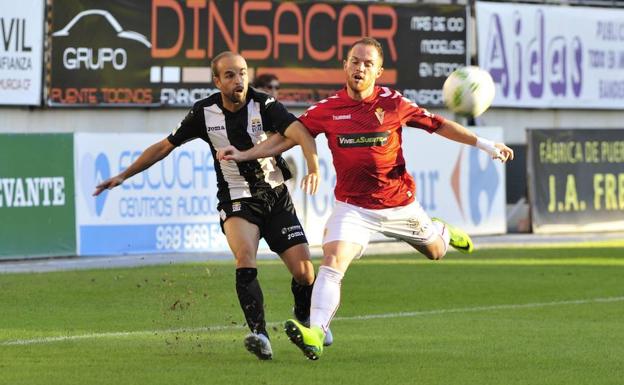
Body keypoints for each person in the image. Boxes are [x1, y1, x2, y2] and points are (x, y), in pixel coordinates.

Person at [216, 38, 514, 361]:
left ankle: (440, 230)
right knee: (332, 263)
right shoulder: (328, 110)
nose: (360, 68)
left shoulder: (395, 104)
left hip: (400, 204)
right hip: (353, 208)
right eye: (355, 61)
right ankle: (315, 333)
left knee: (435, 252)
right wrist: (245, 154)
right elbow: (283, 140)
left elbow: (439, 126)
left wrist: (485, 144)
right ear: (345, 65)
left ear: (379, 71)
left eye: (368, 64)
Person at [93, 51, 329, 361]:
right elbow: (165, 146)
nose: (238, 80)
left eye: (242, 73)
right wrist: (124, 174)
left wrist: (314, 167)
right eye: (230, 75)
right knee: (244, 256)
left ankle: (304, 314)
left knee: (304, 273)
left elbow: (299, 132)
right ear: (217, 81)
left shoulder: (265, 105)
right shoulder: (204, 113)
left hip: (275, 197)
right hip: (236, 199)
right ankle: (259, 334)